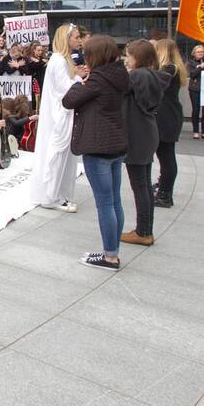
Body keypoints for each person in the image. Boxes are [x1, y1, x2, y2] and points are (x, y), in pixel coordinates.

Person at [63, 35, 129, 271]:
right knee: (114, 200)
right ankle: (113, 249)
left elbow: (68, 101)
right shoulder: (120, 74)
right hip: (116, 143)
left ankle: (110, 257)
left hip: (98, 145)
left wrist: (79, 80)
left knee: (105, 203)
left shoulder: (97, 79)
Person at [28, 24, 84, 212]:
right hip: (59, 116)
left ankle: (59, 193)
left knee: (64, 157)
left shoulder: (62, 60)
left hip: (63, 114)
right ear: (65, 39)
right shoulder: (59, 60)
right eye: (76, 37)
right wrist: (78, 79)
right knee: (56, 156)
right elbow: (64, 88)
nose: (79, 40)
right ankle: (51, 196)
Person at [121, 39, 164, 246]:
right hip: (146, 132)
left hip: (137, 134)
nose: (126, 59)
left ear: (137, 56)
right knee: (144, 184)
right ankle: (145, 229)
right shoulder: (153, 75)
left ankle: (143, 231)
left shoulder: (137, 75)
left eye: (128, 55)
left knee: (140, 185)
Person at [152, 39, 186, 208]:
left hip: (166, 118)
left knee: (166, 157)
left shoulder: (169, 69)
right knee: (165, 156)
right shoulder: (173, 68)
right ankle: (163, 186)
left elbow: (155, 84)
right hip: (169, 116)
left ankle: (165, 194)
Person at [187, 44, 204, 140]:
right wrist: (200, 67)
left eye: (202, 52)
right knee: (196, 109)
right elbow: (192, 74)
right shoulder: (191, 62)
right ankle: (195, 131)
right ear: (194, 53)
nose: (200, 54)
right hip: (195, 89)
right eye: (198, 52)